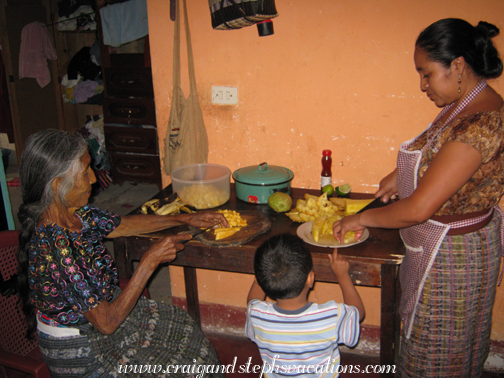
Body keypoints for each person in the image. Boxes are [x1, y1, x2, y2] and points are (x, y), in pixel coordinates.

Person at [332, 18, 504, 377]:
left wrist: (359, 218)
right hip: (439, 247)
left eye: (426, 74)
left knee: (440, 353)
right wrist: (399, 176)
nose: (422, 85)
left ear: (457, 65)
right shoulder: (462, 108)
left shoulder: (481, 123)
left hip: (453, 259)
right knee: (434, 344)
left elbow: (418, 209)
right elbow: (439, 157)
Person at [16, 129, 230, 377]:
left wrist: (187, 217)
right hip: (86, 348)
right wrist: (149, 262)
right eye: (85, 172)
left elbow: (124, 225)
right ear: (57, 185)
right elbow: (106, 324)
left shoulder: (75, 215)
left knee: (184, 330)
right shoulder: (58, 247)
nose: (94, 179)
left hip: (102, 315)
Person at [245, 233, 365, 377]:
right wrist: (343, 275)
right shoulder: (331, 316)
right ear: (310, 278)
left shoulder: (256, 314)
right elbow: (358, 313)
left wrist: (262, 275)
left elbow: (252, 300)